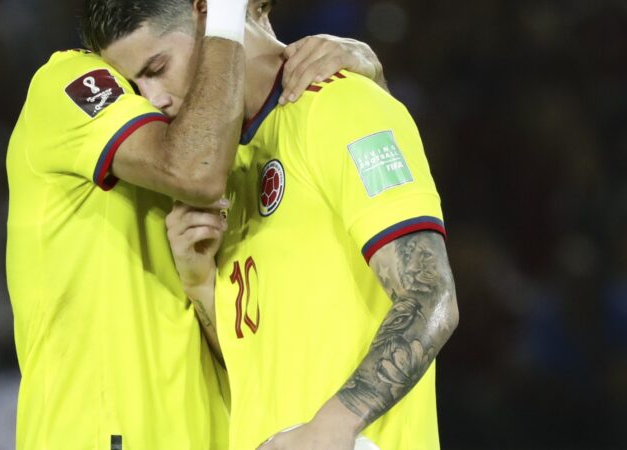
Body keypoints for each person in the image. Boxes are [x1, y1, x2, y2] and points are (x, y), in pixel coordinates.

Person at [7, 0, 389, 447]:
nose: (153, 97)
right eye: (142, 78)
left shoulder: (243, 145)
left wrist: (366, 74)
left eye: (158, 69)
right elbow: (194, 170)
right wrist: (225, 17)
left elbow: (254, 345)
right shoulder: (66, 82)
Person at [84, 1, 459, 449]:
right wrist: (202, 284)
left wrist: (332, 427)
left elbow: (429, 294)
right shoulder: (222, 175)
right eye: (135, 86)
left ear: (209, 15)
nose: (153, 100)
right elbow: (256, 368)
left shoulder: (341, 103)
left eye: (158, 68)